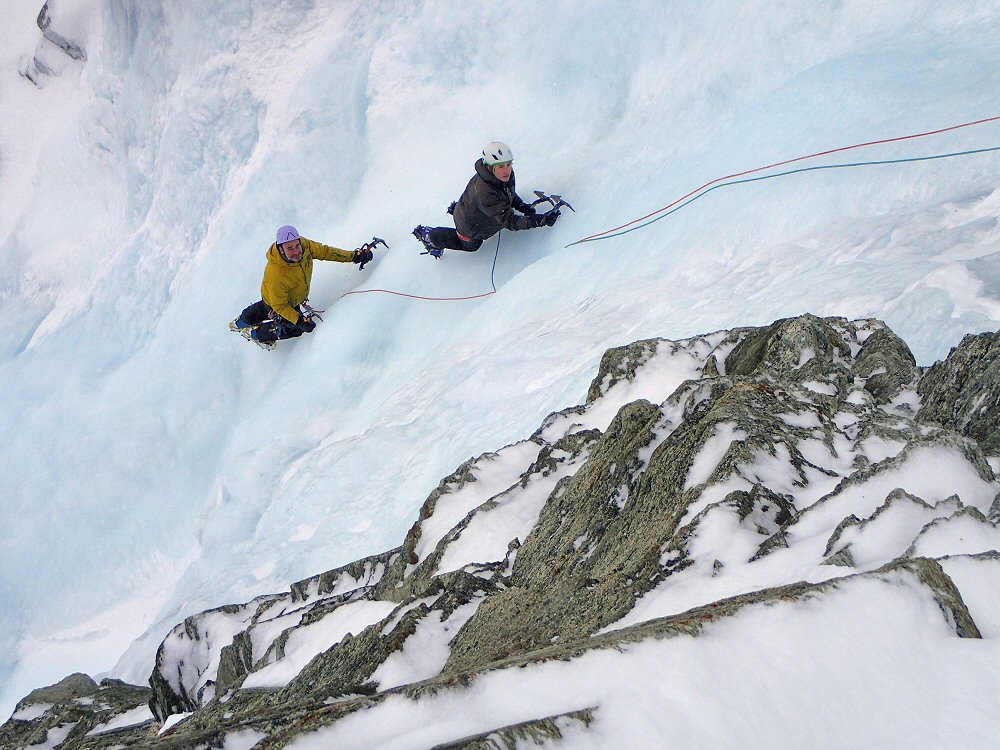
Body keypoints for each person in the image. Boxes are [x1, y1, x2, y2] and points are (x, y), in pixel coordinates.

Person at [229, 225, 373, 349]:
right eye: (290, 248)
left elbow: (325, 252)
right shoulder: (277, 274)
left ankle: (241, 321)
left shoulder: (305, 246)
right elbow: (280, 306)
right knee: (293, 329)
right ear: (281, 249)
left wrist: (354, 256)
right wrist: (299, 320)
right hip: (280, 304)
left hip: (288, 298)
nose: (296, 251)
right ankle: (255, 333)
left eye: (297, 245)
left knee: (265, 308)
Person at [412, 141, 560, 258]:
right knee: (472, 246)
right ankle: (429, 236)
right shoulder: (486, 192)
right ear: (490, 167)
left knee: (485, 209)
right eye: (501, 166)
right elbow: (509, 222)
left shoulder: (500, 176)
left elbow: (508, 193)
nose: (507, 170)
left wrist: (523, 207)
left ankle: (461, 210)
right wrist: (540, 220)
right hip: (471, 226)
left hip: (473, 208)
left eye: (509, 164)